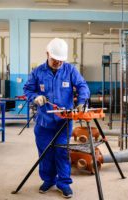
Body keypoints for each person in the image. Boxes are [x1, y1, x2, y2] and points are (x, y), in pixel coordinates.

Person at [23, 38, 90, 198]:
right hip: (43, 121)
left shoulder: (70, 70)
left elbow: (82, 86)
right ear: (47, 54)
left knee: (62, 152)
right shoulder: (37, 71)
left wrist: (82, 102)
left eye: (61, 60)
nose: (58, 63)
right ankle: (48, 180)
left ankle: (64, 182)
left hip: (63, 122)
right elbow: (27, 89)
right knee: (45, 152)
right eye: (55, 60)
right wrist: (35, 97)